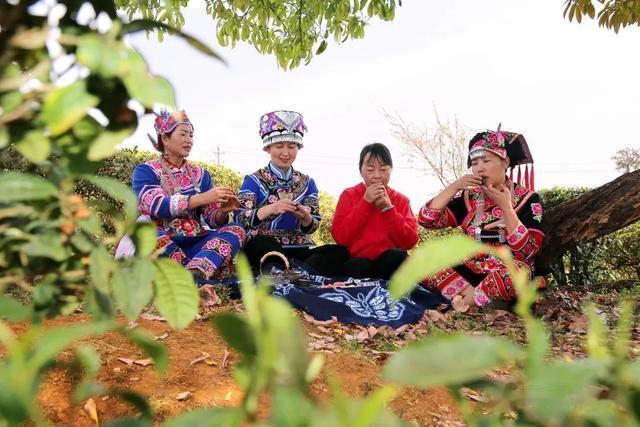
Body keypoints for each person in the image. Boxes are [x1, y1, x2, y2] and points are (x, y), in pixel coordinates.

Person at [419, 128, 544, 308]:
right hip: (469, 268)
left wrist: (506, 208)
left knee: (517, 273)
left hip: (504, 271)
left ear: (505, 162)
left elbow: (529, 251)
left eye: (486, 160)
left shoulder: (528, 198)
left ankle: (462, 302)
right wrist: (454, 187)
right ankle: (477, 301)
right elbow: (426, 220)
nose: (480, 167)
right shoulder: (468, 198)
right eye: (475, 162)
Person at [132, 110, 245, 287]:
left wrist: (222, 211)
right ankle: (197, 275)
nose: (189, 140)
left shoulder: (200, 174)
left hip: (196, 241)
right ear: (165, 138)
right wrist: (201, 198)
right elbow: (157, 205)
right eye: (183, 134)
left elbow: (211, 220)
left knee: (236, 229)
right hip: (163, 239)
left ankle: (194, 272)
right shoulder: (146, 170)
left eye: (191, 135)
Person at [236, 110, 347, 275]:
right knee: (260, 243)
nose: (286, 152)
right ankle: (296, 273)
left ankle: (291, 273)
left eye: (291, 146)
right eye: (279, 146)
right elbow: (239, 218)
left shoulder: (308, 182)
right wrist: (272, 208)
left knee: (338, 251)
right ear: (268, 147)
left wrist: (305, 216)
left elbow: (313, 225)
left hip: (299, 250)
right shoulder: (253, 180)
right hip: (265, 247)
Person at [331, 143, 419, 279]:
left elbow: (409, 242)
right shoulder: (349, 195)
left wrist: (389, 209)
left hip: (389, 264)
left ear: (391, 170)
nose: (377, 176)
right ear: (361, 171)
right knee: (359, 264)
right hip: (357, 263)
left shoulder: (401, 200)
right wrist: (365, 202)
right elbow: (341, 238)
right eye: (370, 170)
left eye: (383, 169)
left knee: (397, 256)